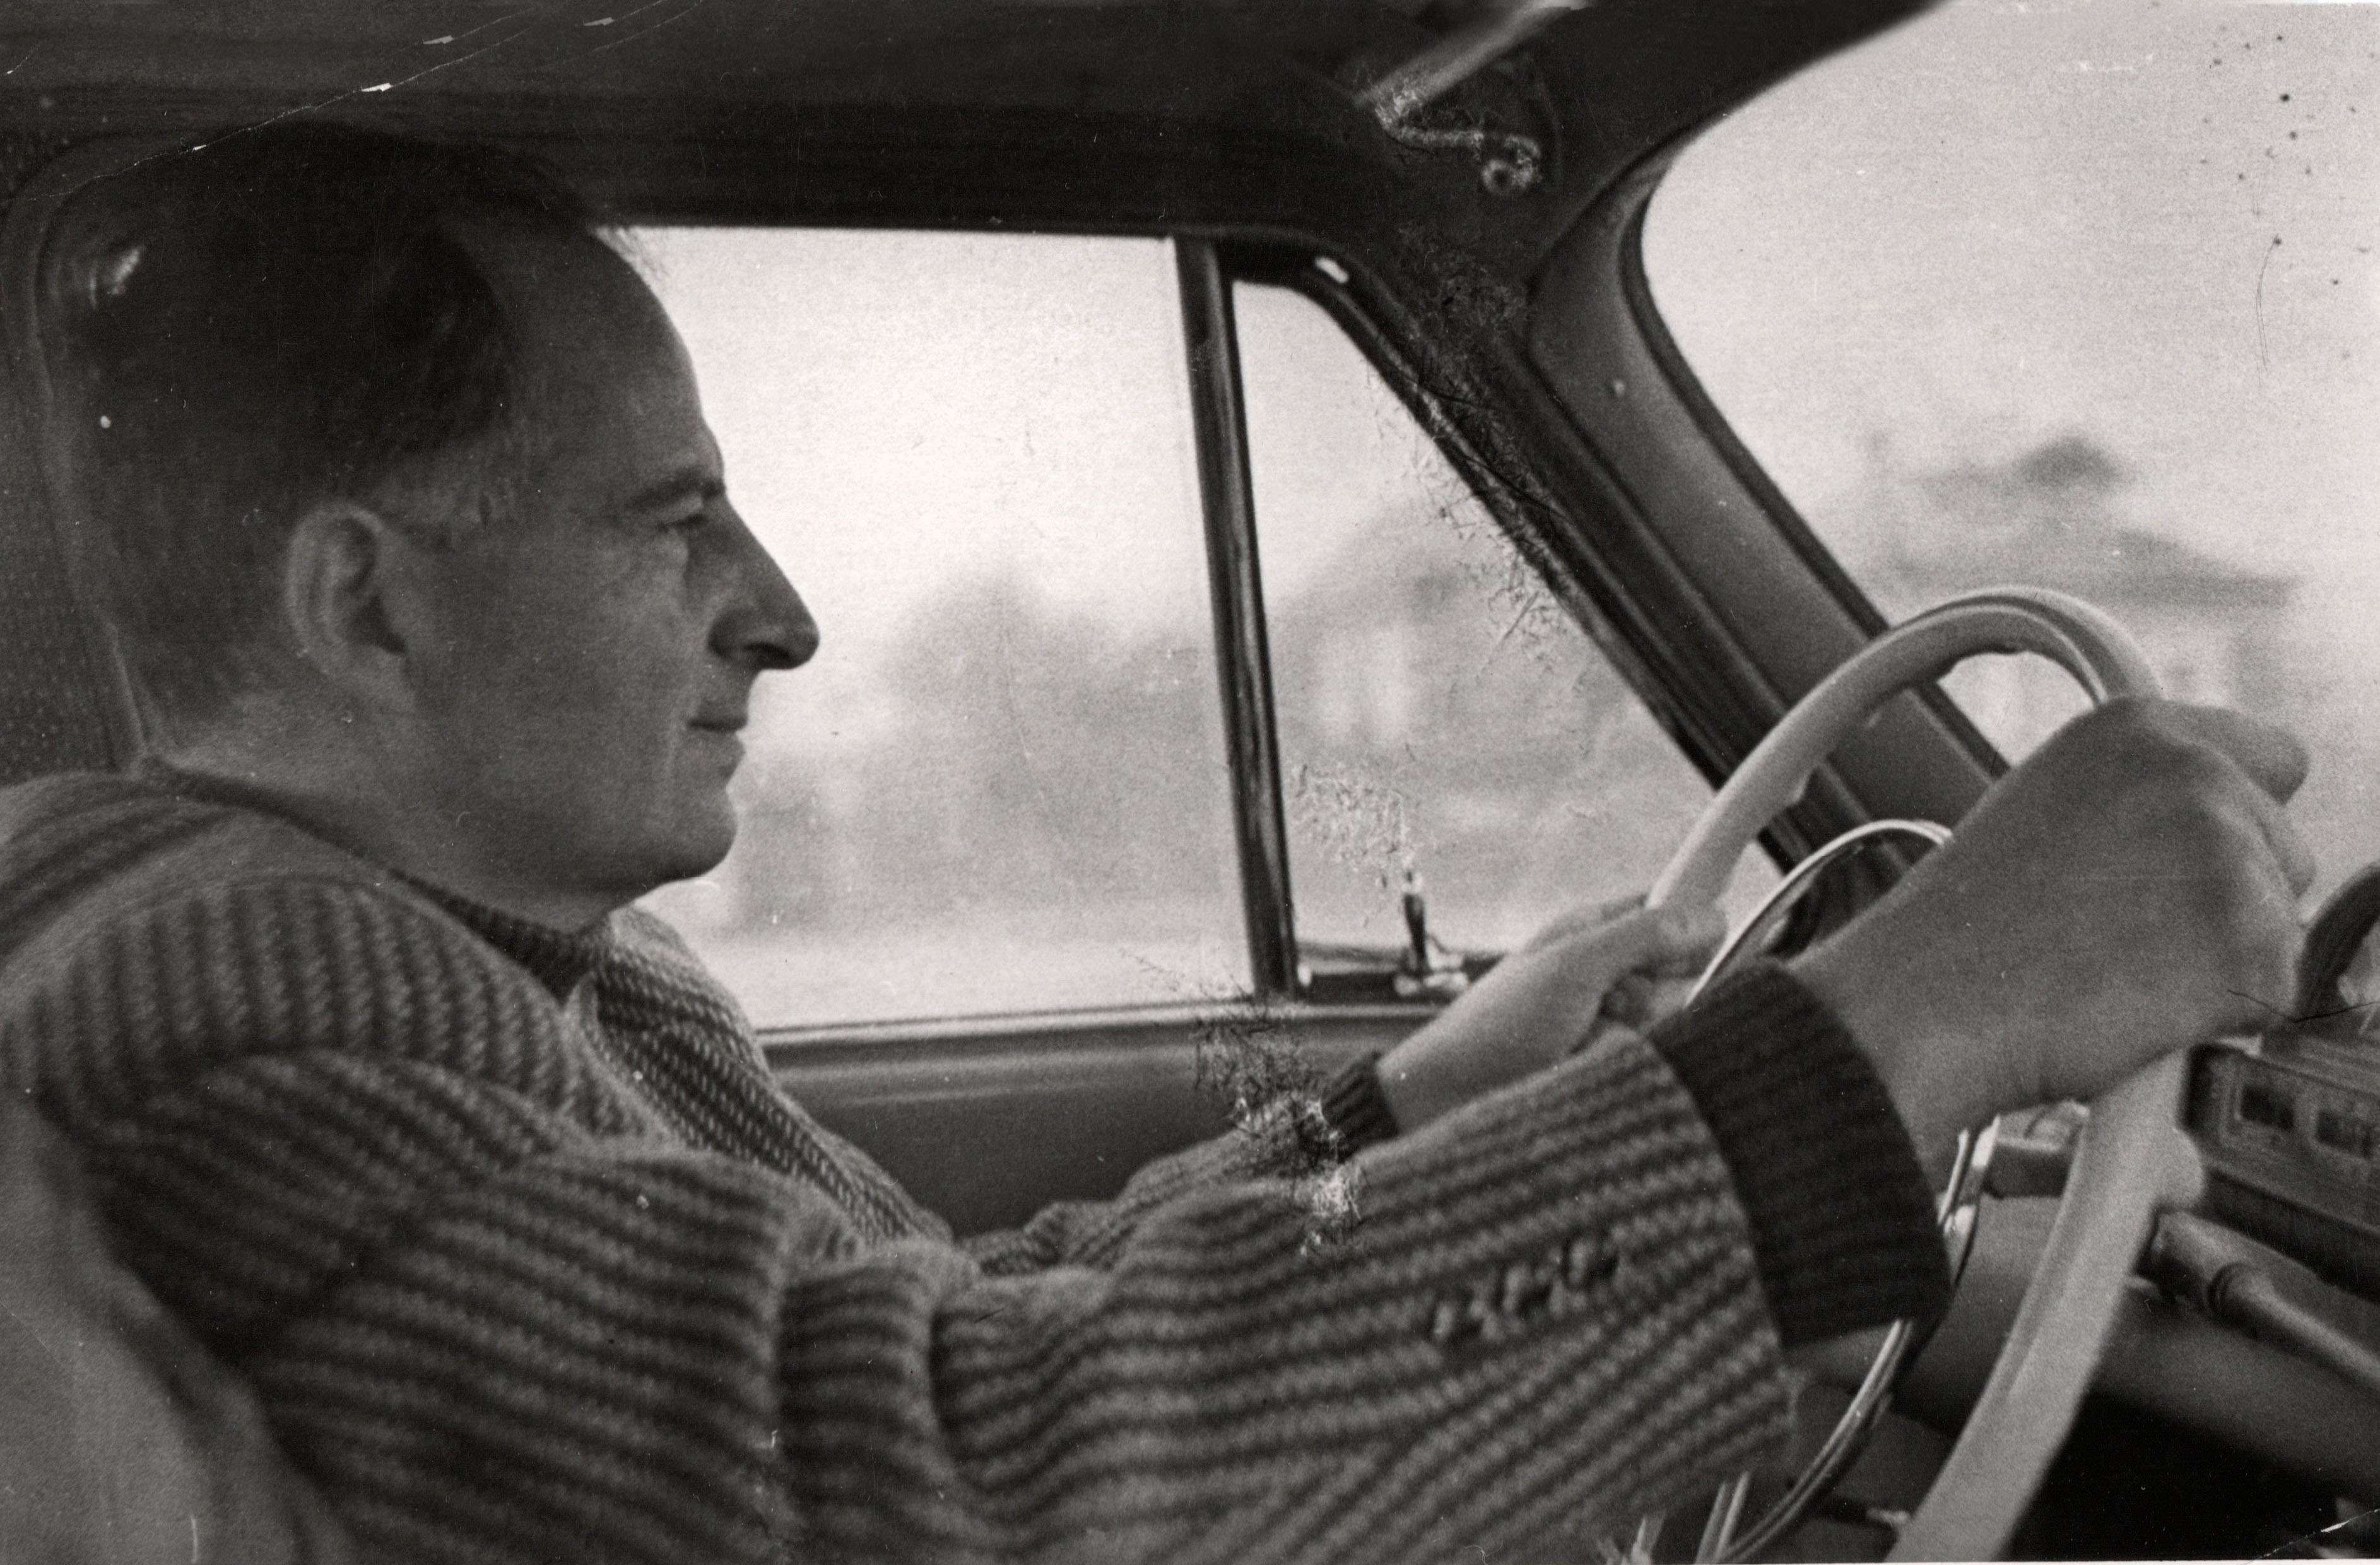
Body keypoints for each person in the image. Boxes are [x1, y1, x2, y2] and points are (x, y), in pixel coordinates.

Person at [0, 124, 2311, 1564]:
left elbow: (923, 1334)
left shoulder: (485, 952)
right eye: (668, 519)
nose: (779, 614)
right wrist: (1892, 1030)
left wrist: (1400, 1105)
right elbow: (945, 1498)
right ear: (363, 607)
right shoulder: (240, 993)